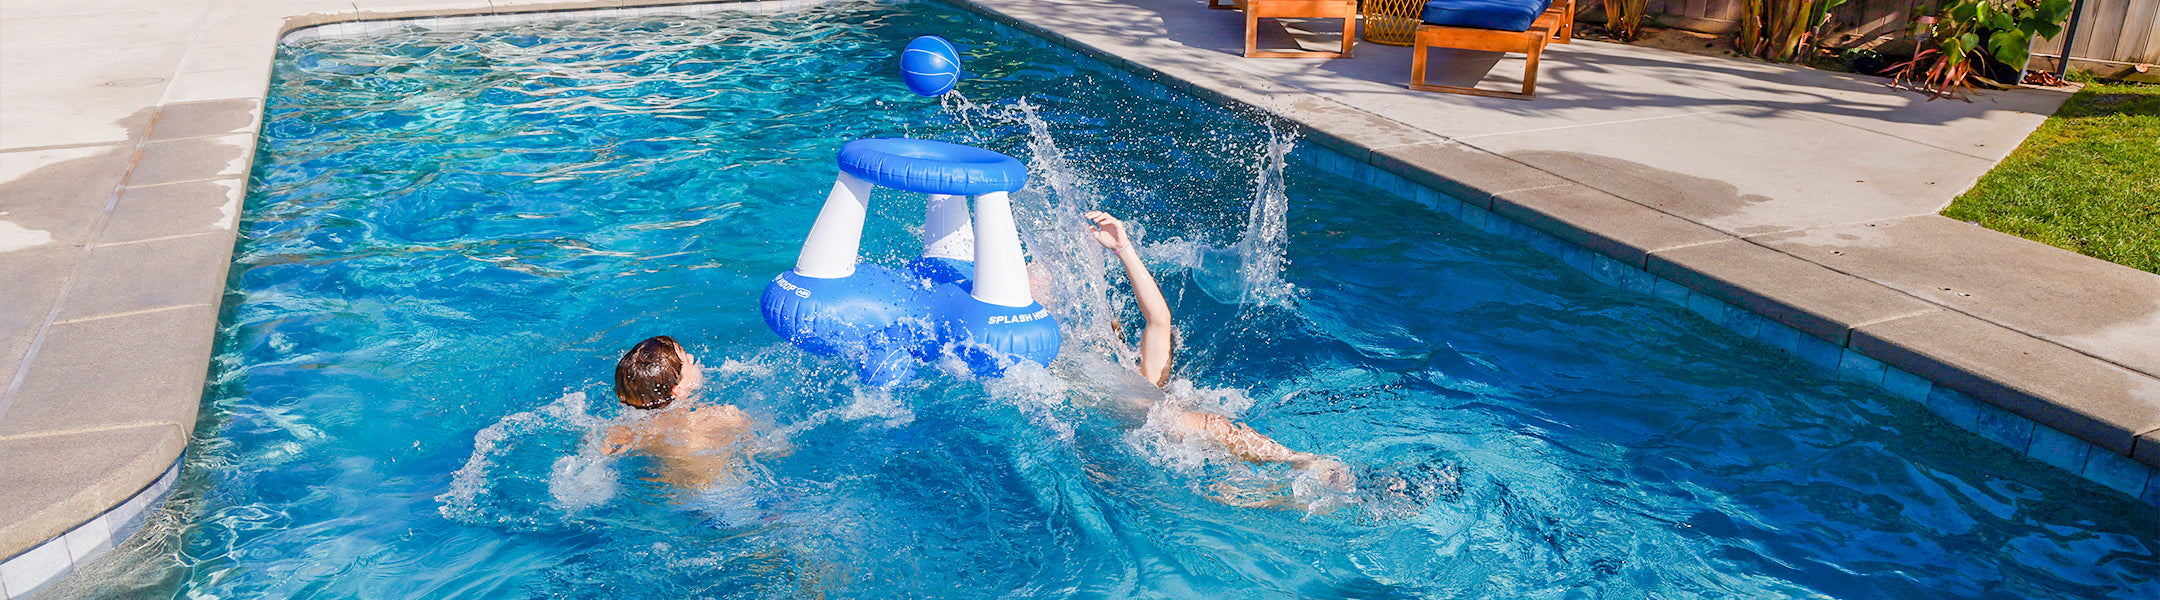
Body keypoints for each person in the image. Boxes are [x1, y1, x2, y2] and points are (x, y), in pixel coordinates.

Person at [1081, 211, 1355, 505]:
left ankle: (1305, 462)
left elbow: (1159, 318)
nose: (1096, 344)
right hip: (1171, 433)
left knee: (1222, 439)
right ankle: (1298, 494)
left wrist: (1123, 249)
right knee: (1227, 491)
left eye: (1101, 340)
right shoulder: (1125, 378)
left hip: (1172, 422)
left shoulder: (1143, 377)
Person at [603, 335, 761, 490]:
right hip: (723, 494)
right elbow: (767, 447)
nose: (692, 357)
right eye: (686, 359)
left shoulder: (625, 432)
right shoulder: (723, 416)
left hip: (671, 496)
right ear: (678, 390)